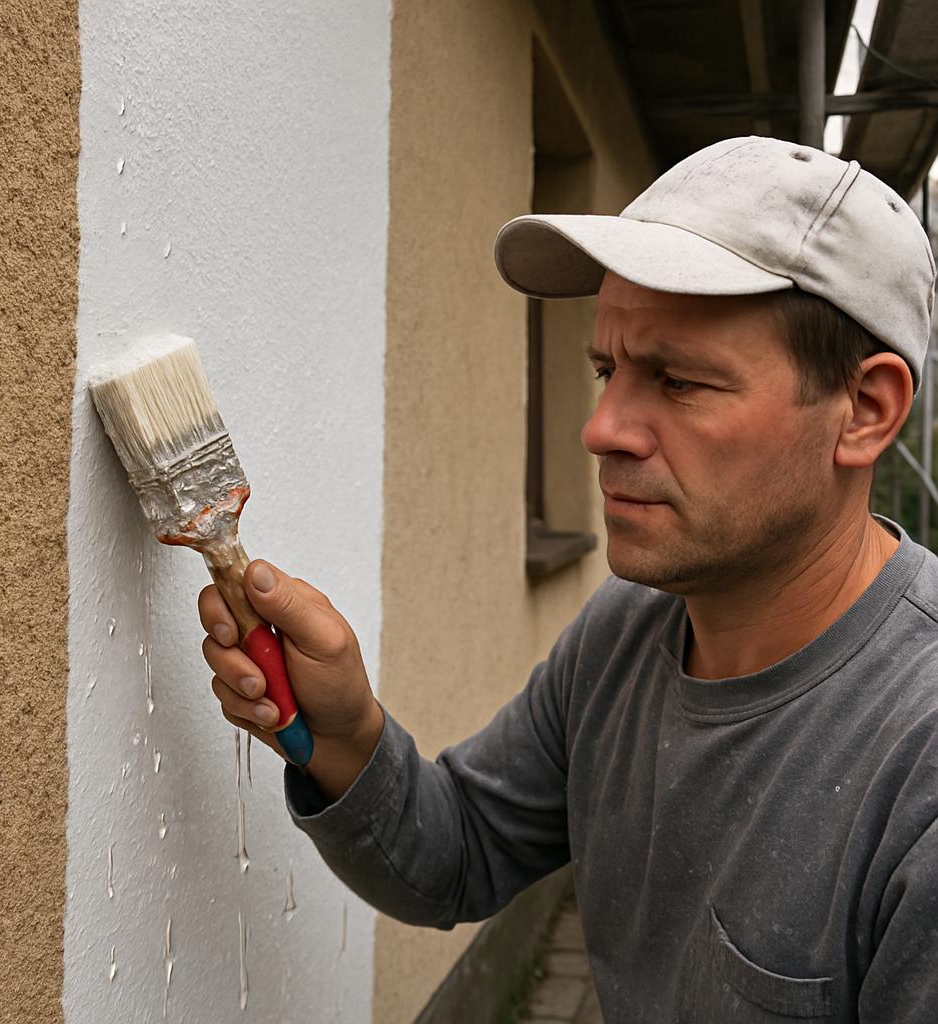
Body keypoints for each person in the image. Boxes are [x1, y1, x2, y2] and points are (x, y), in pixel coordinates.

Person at [199, 137, 938, 1021]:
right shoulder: (628, 630)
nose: (603, 429)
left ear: (865, 411)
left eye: (679, 380)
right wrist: (348, 730)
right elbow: (457, 857)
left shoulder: (917, 761)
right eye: (606, 370)